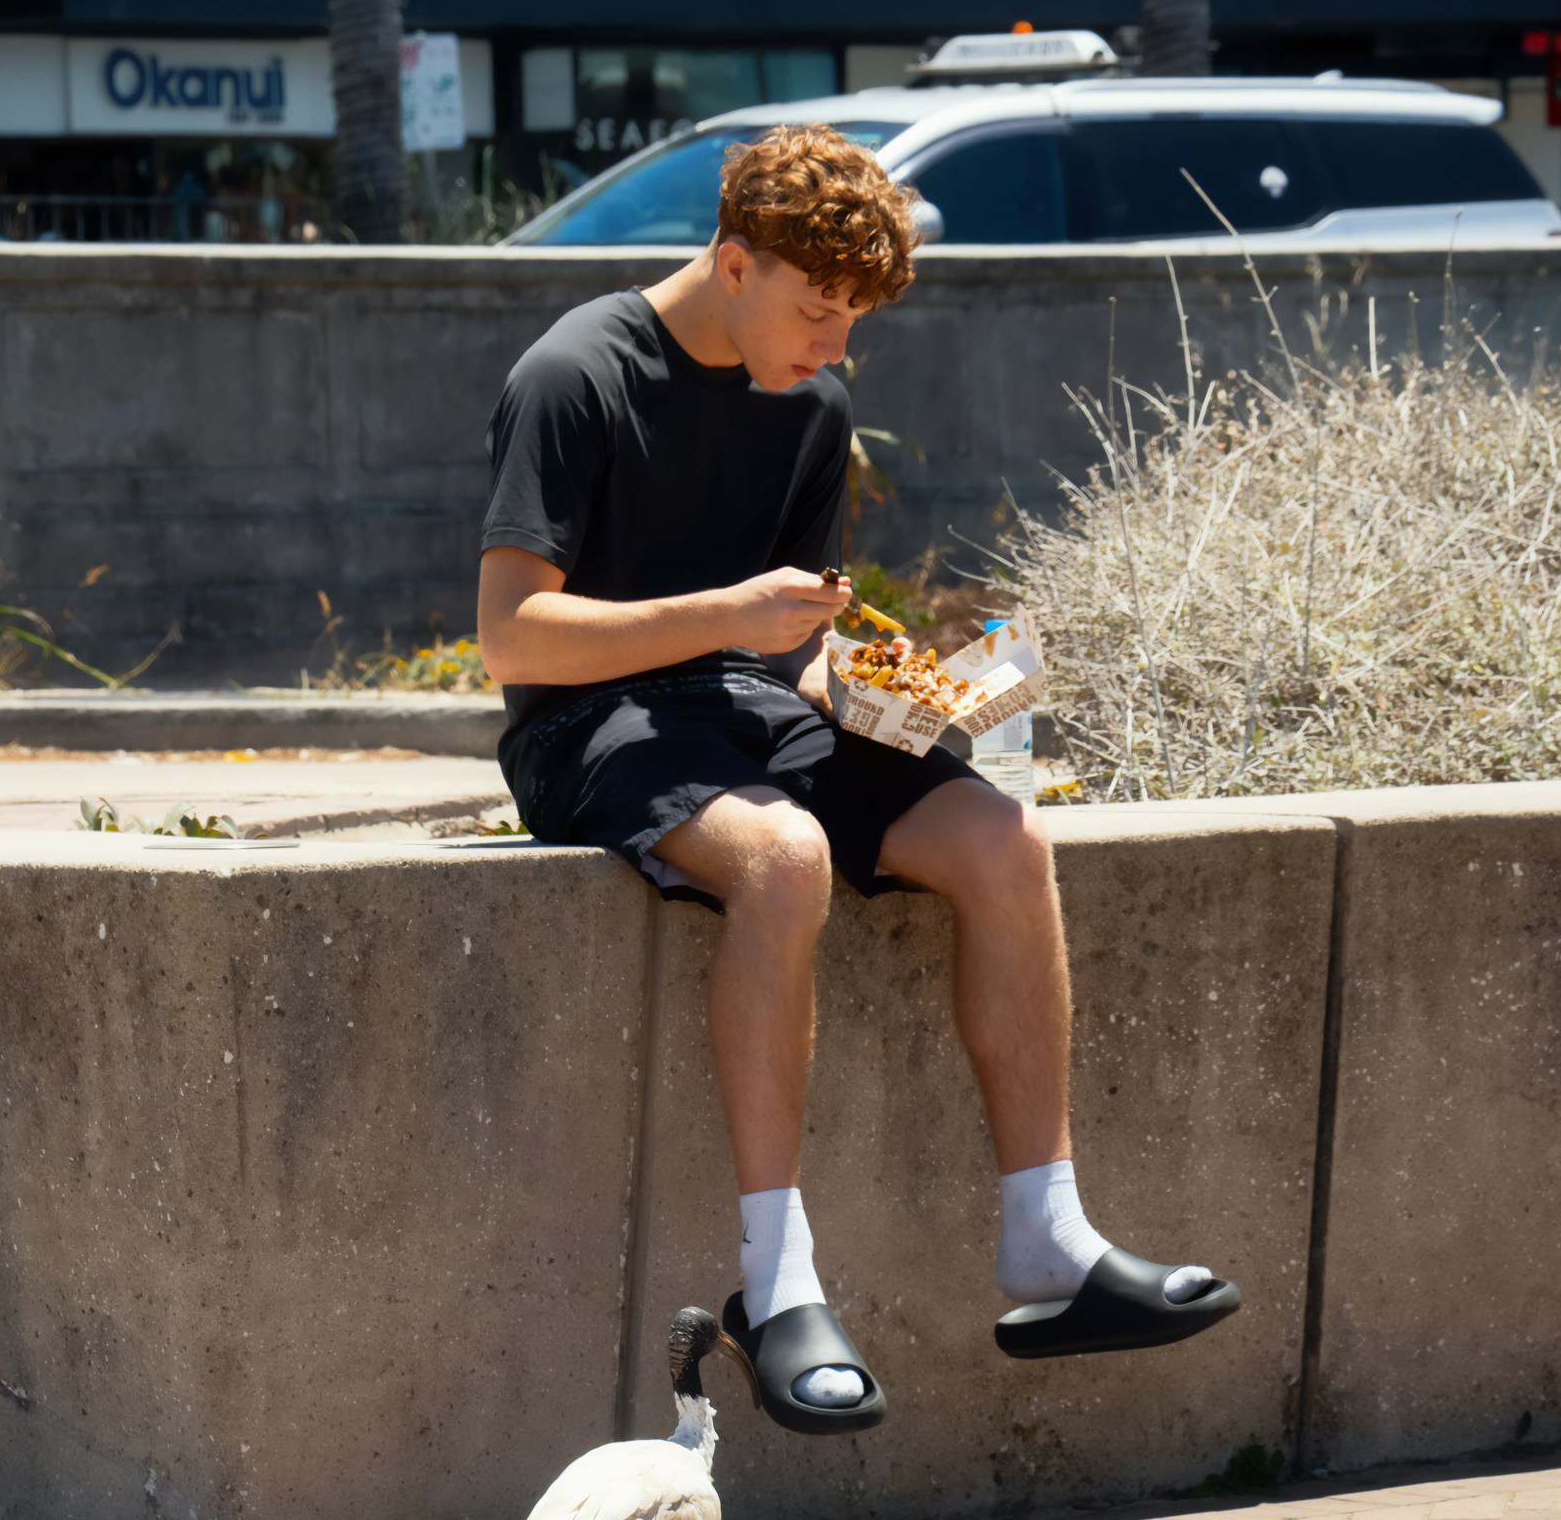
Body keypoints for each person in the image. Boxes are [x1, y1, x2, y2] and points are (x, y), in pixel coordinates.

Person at [478, 125, 1238, 1437]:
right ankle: (778, 1290)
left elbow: (801, 647)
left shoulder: (814, 408)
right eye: (815, 310)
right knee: (788, 861)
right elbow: (511, 638)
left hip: (750, 708)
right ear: (732, 263)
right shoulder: (576, 374)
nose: (833, 347)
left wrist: (920, 704)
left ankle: (1047, 1244)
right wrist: (730, 616)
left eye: (853, 319)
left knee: (1003, 835)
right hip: (588, 729)